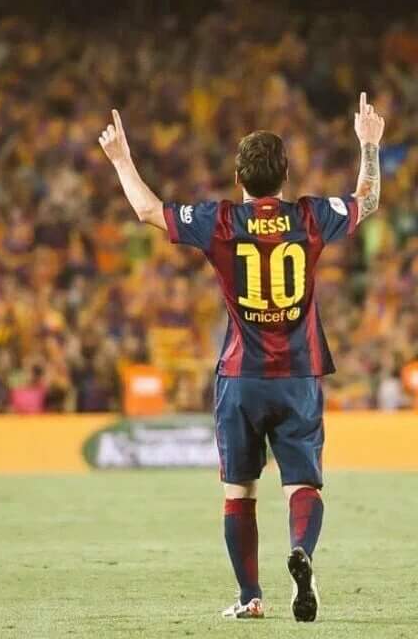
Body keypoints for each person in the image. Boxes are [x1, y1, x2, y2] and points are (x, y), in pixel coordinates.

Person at [98, 93, 385, 622]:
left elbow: (146, 211)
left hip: (240, 376)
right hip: (298, 373)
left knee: (239, 491)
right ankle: (301, 550)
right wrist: (368, 145)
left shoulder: (221, 221)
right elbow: (365, 201)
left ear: (238, 177)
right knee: (302, 484)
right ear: (286, 174)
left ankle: (251, 596)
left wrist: (121, 160)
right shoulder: (310, 216)